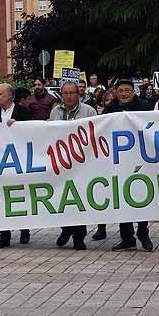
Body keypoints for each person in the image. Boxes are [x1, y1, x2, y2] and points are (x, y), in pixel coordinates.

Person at [99, 80, 153, 251]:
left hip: (140, 158)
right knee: (122, 198)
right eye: (120, 91)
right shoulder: (110, 109)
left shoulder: (145, 107)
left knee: (141, 196)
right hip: (119, 160)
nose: (123, 94)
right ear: (116, 92)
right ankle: (127, 237)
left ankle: (143, 234)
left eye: (127, 90)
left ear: (133, 91)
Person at [0, 84, 32, 248]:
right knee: (2, 198)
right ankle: (4, 234)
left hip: (19, 161)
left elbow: (33, 133)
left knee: (21, 195)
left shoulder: (23, 112)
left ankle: (25, 229)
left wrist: (19, 126)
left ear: (10, 96)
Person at [49, 82, 93, 250]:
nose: (68, 96)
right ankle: (66, 229)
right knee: (63, 198)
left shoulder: (89, 111)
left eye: (72, 93)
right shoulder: (55, 112)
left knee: (79, 199)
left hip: (82, 162)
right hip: (62, 162)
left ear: (78, 94)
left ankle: (79, 236)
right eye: (65, 93)